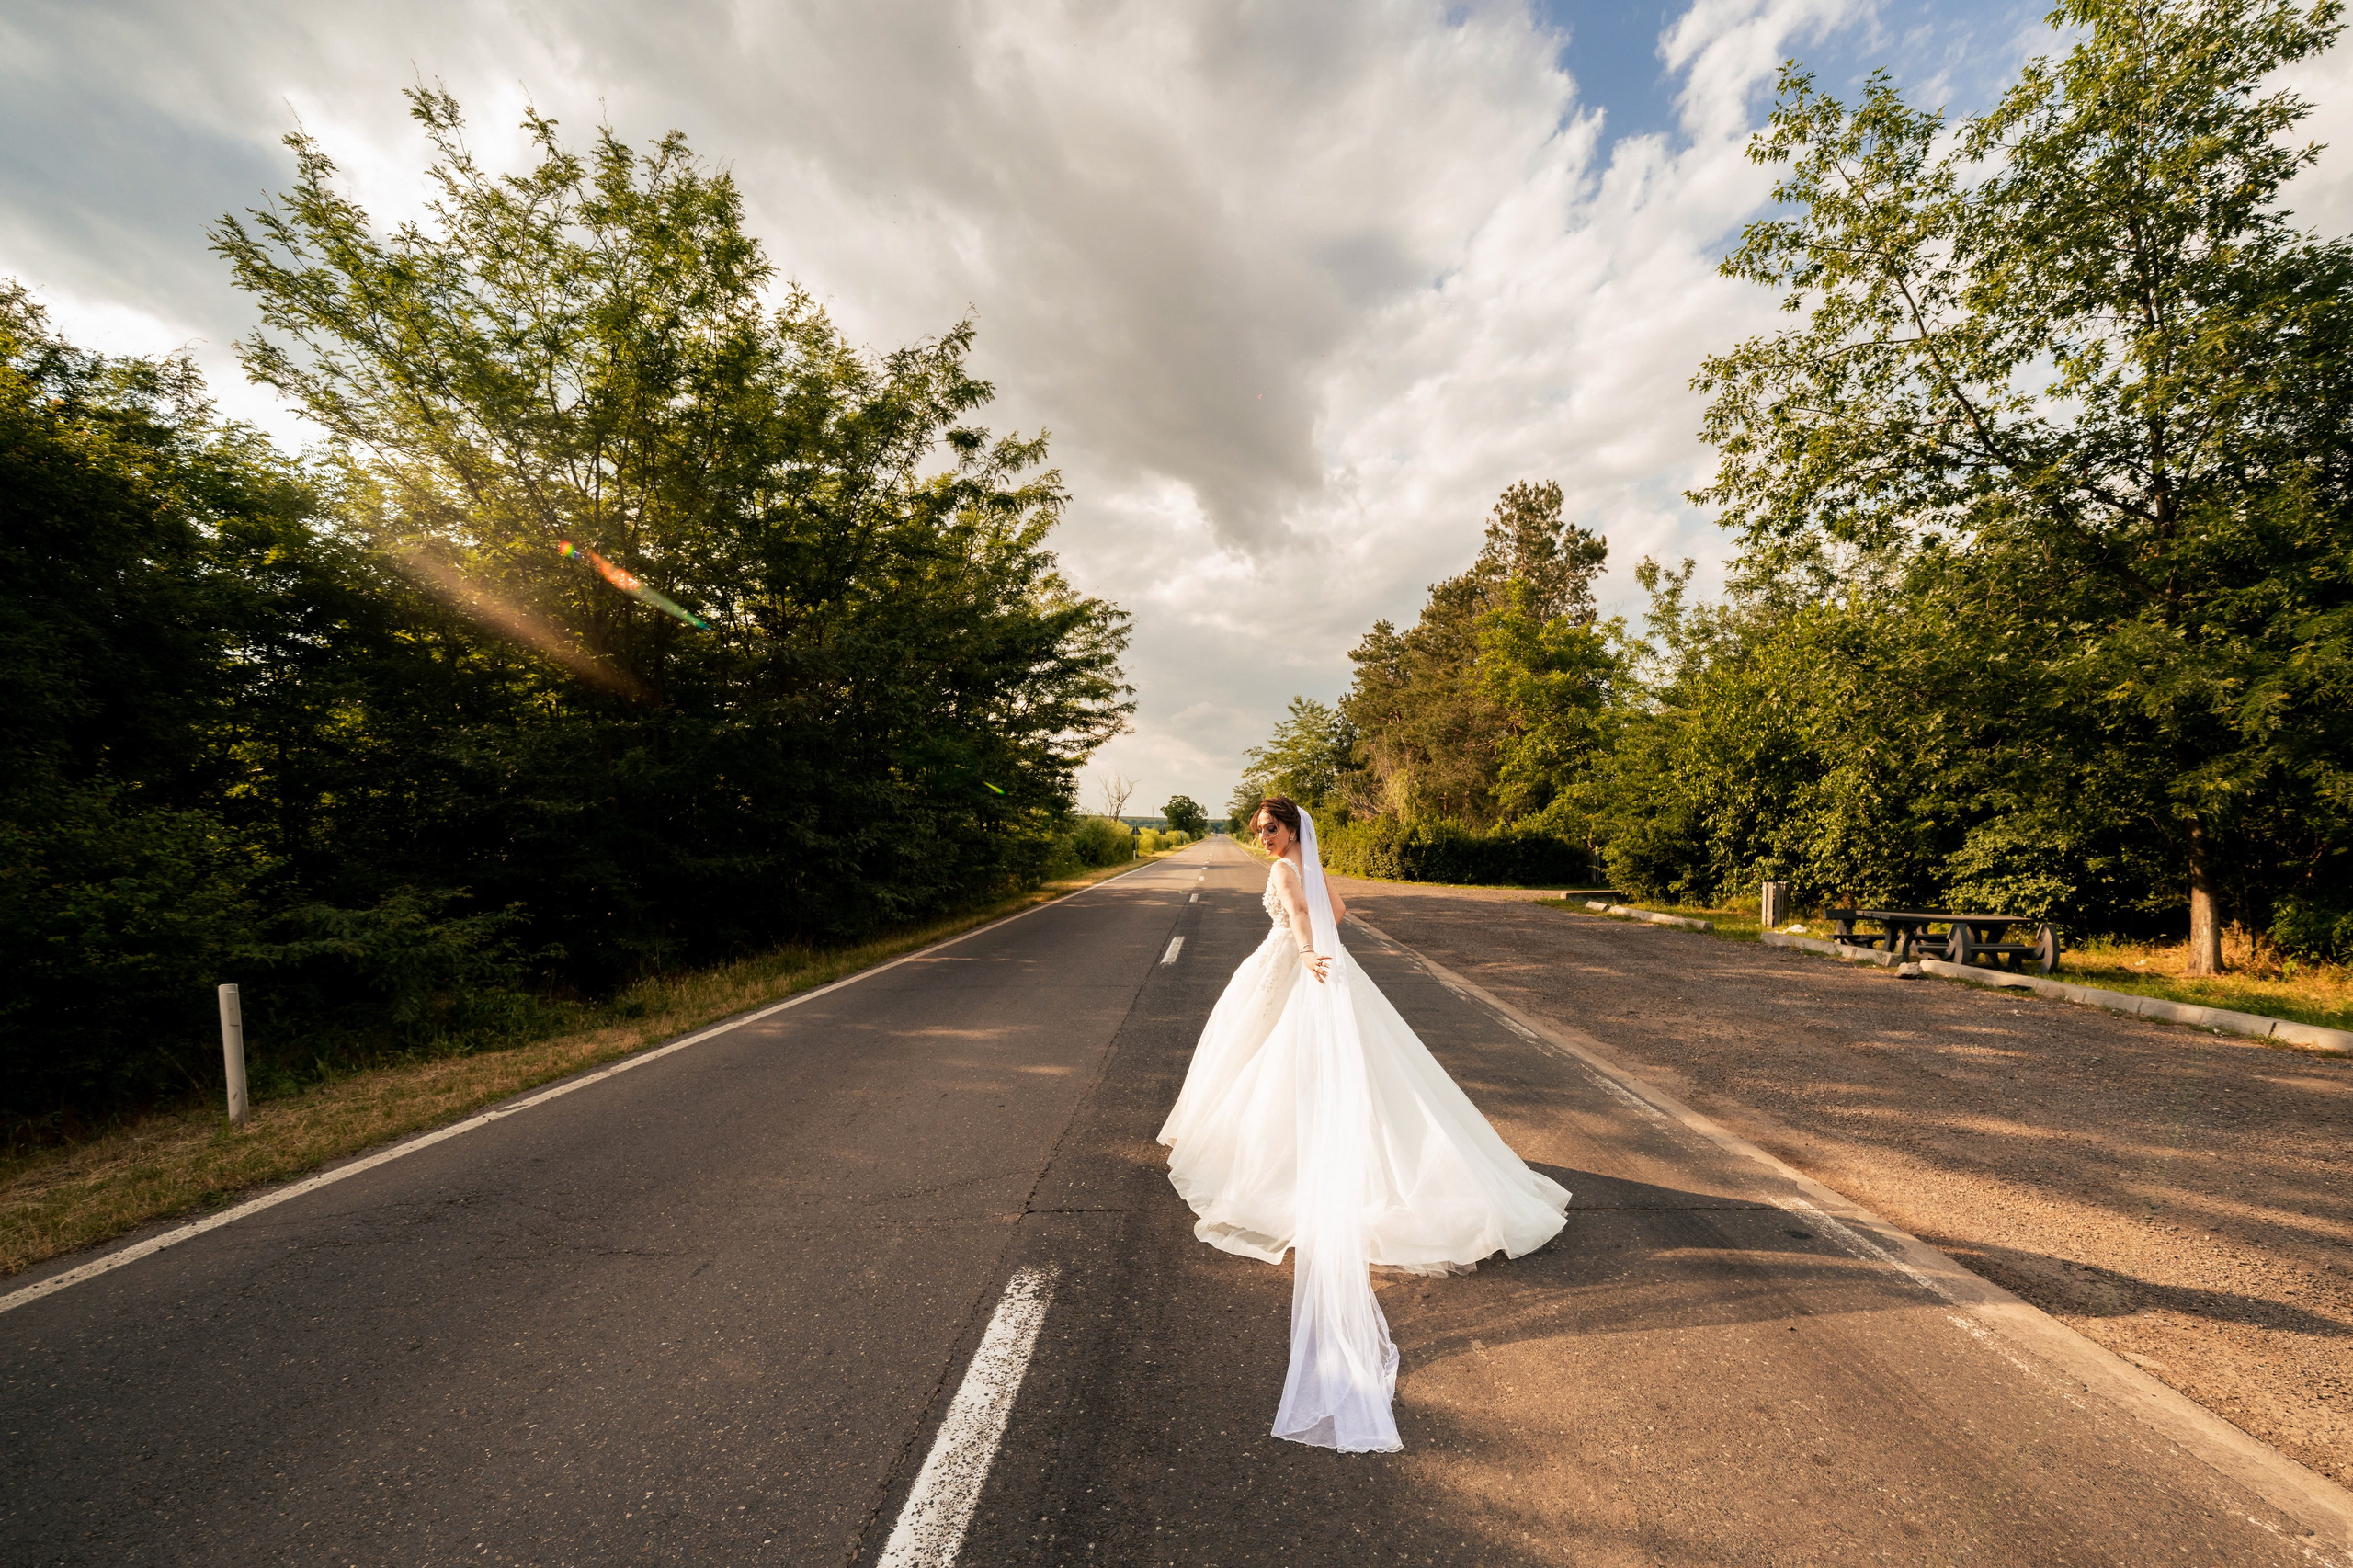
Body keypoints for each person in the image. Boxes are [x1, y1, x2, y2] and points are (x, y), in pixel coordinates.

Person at [1157, 796, 1569, 1451]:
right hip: (1315, 963)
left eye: (1271, 828)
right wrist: (1321, 948)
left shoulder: (1286, 872)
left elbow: (1302, 918)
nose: (1262, 837)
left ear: (1292, 828)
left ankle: (1278, 1158)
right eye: (1258, 829)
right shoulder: (1310, 864)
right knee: (1294, 1064)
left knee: (1269, 1064)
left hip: (1292, 965)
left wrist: (1305, 954)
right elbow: (1338, 915)